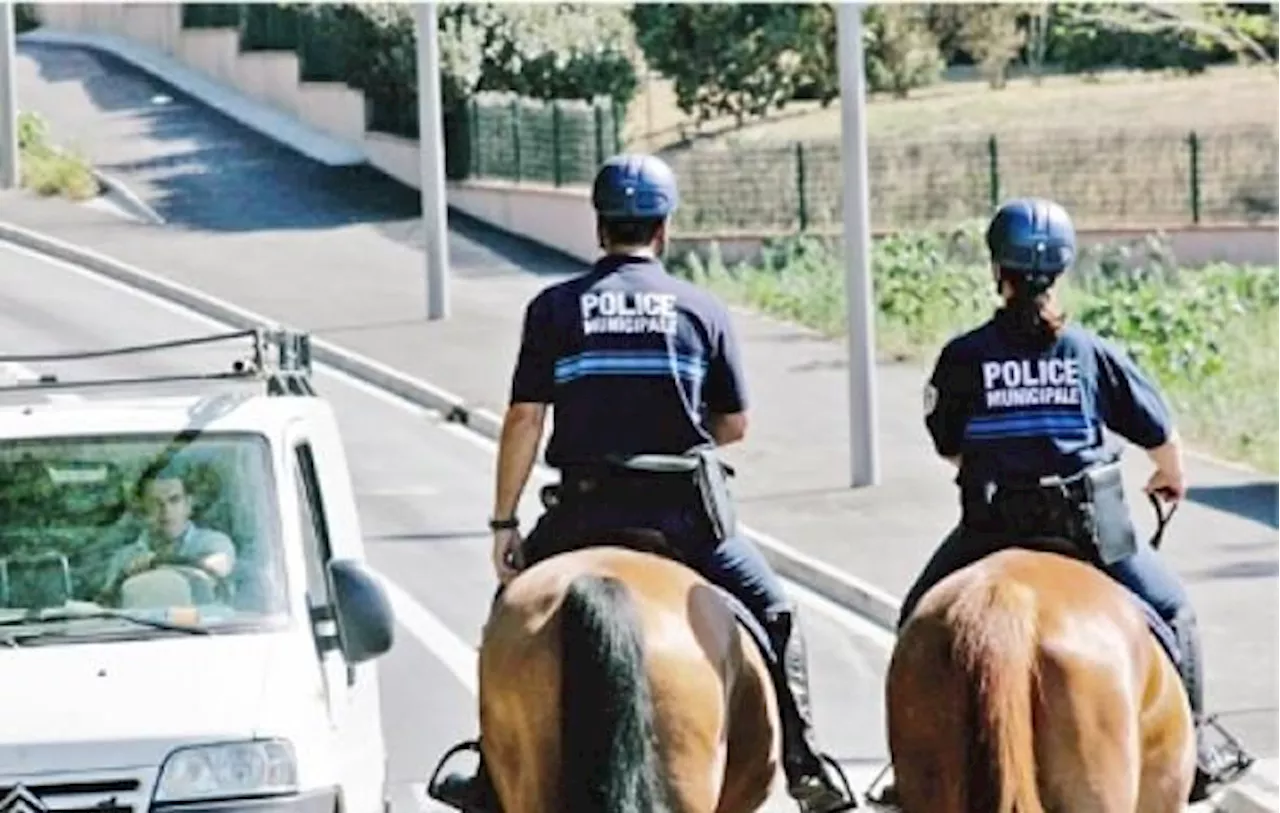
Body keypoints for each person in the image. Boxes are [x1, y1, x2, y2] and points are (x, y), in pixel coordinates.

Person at [430, 153, 855, 813]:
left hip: (581, 516)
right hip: (683, 519)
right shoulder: (702, 310)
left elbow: (524, 419)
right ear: (663, 231)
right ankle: (806, 764)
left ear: (600, 229)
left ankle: (488, 770)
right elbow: (734, 423)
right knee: (773, 612)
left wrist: (504, 521)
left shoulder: (554, 309)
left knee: (509, 616)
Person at [872, 197, 1253, 806]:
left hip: (991, 530)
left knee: (919, 615)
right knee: (1174, 611)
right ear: (1062, 271)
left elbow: (950, 448)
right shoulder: (1090, 353)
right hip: (1091, 534)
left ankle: (912, 764)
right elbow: (1162, 442)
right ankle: (1199, 750)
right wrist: (1168, 478)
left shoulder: (964, 356)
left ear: (998, 269)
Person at [100, 464, 237, 602]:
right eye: (155, 503)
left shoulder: (213, 543)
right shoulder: (124, 558)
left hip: (204, 622)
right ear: (142, 509)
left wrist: (156, 563)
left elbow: (220, 566)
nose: (166, 510)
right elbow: (109, 605)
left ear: (188, 504)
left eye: (174, 500)